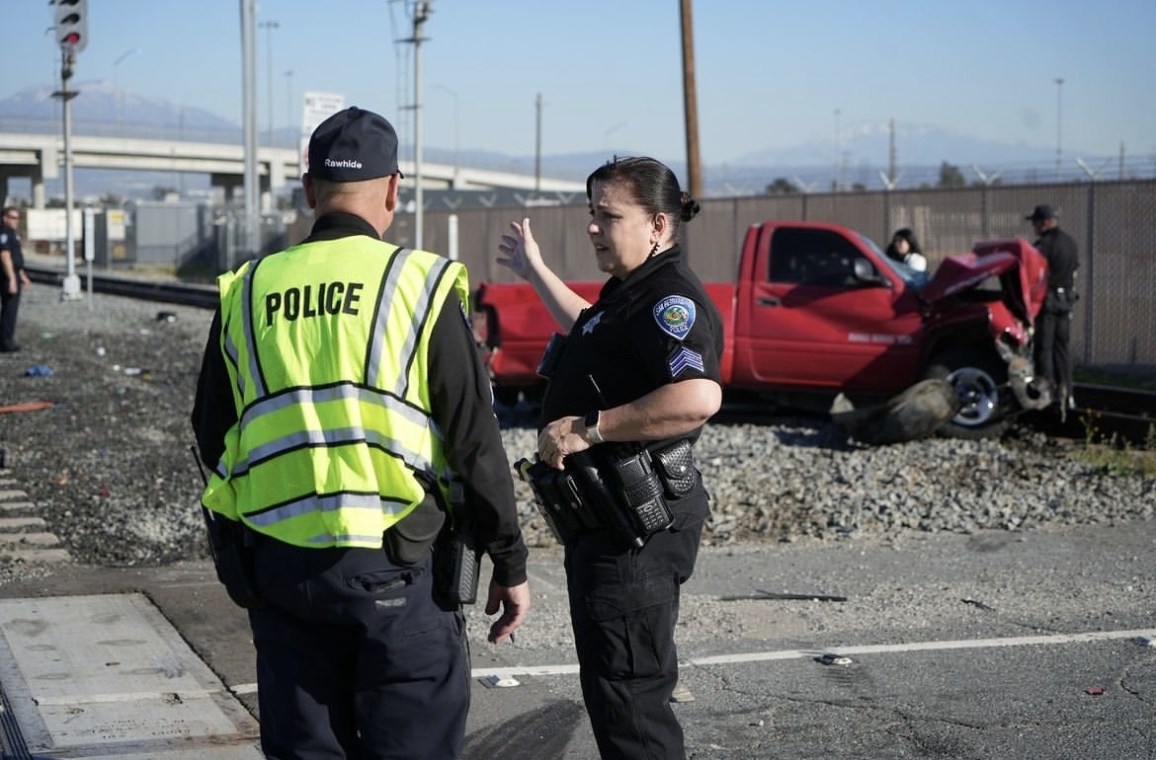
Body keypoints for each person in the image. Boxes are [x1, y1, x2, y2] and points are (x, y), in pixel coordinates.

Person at [190, 106, 530, 760]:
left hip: (282, 570)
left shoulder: (249, 289)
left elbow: (213, 435)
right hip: (400, 568)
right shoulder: (420, 286)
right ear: (395, 190)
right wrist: (509, 560)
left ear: (310, 190)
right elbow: (474, 440)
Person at [497, 156, 723, 760]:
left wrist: (589, 429)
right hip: (610, 528)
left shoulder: (668, 299)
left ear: (657, 225)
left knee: (631, 702)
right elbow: (589, 327)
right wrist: (535, 269)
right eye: (592, 213)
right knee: (615, 694)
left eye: (608, 216)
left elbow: (698, 396)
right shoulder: (630, 293)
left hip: (634, 534)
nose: (594, 227)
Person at [1026, 203, 1079, 412]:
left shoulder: (1044, 245)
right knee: (1062, 349)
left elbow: (1032, 273)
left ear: (1045, 223)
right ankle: (1067, 391)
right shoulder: (1070, 242)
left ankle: (1046, 392)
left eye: (1036, 223)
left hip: (1048, 301)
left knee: (1044, 347)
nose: (1034, 227)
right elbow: (1075, 270)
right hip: (1066, 300)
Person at [0, 207, 31, 353]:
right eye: (12, 217)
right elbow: (5, 257)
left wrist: (22, 276)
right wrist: (12, 279)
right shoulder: (4, 233)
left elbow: (16, 258)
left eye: (17, 218)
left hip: (13, 274)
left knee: (11, 309)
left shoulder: (13, 234)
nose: (15, 221)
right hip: (6, 277)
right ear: (4, 218)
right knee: (9, 310)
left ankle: (6, 339)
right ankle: (6, 342)